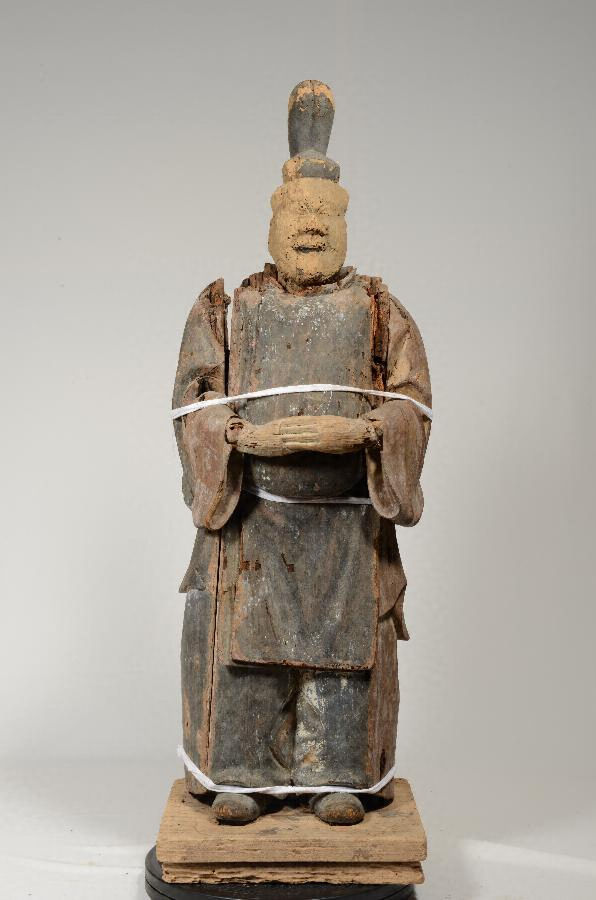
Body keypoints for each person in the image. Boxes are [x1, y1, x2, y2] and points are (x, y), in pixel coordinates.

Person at [172, 81, 432, 825]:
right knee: (241, 652)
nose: (311, 226)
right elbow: (192, 401)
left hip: (346, 524)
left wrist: (367, 433)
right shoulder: (230, 308)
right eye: (298, 214)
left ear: (346, 226)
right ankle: (242, 775)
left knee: (342, 661)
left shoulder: (379, 309)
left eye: (326, 216)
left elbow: (413, 402)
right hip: (253, 517)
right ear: (272, 223)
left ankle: (337, 776)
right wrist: (238, 439)